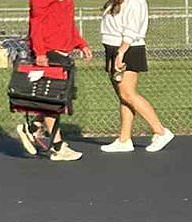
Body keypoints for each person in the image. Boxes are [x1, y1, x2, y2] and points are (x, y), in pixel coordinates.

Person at [18, 0, 92, 161]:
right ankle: (57, 147)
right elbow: (36, 22)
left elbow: (68, 22)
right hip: (48, 52)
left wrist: (81, 44)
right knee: (51, 101)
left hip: (63, 52)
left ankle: (32, 129)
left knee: (61, 100)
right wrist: (40, 52)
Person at [99, 0, 175, 153]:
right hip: (113, 48)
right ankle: (124, 139)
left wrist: (121, 52)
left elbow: (132, 29)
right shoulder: (116, 1)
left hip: (127, 50)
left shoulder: (135, 2)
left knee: (128, 93)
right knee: (123, 96)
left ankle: (160, 131)